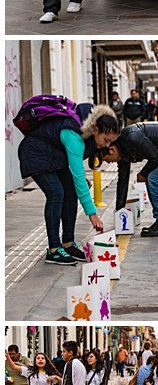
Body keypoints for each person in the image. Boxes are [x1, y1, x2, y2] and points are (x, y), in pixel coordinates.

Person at [17, 102, 119, 265]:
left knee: (70, 191)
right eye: (106, 140)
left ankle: (68, 243)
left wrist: (77, 178)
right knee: (56, 193)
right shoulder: (74, 134)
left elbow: (75, 169)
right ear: (96, 130)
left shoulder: (87, 131)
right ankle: (54, 249)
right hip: (36, 154)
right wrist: (92, 214)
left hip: (53, 157)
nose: (106, 145)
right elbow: (78, 174)